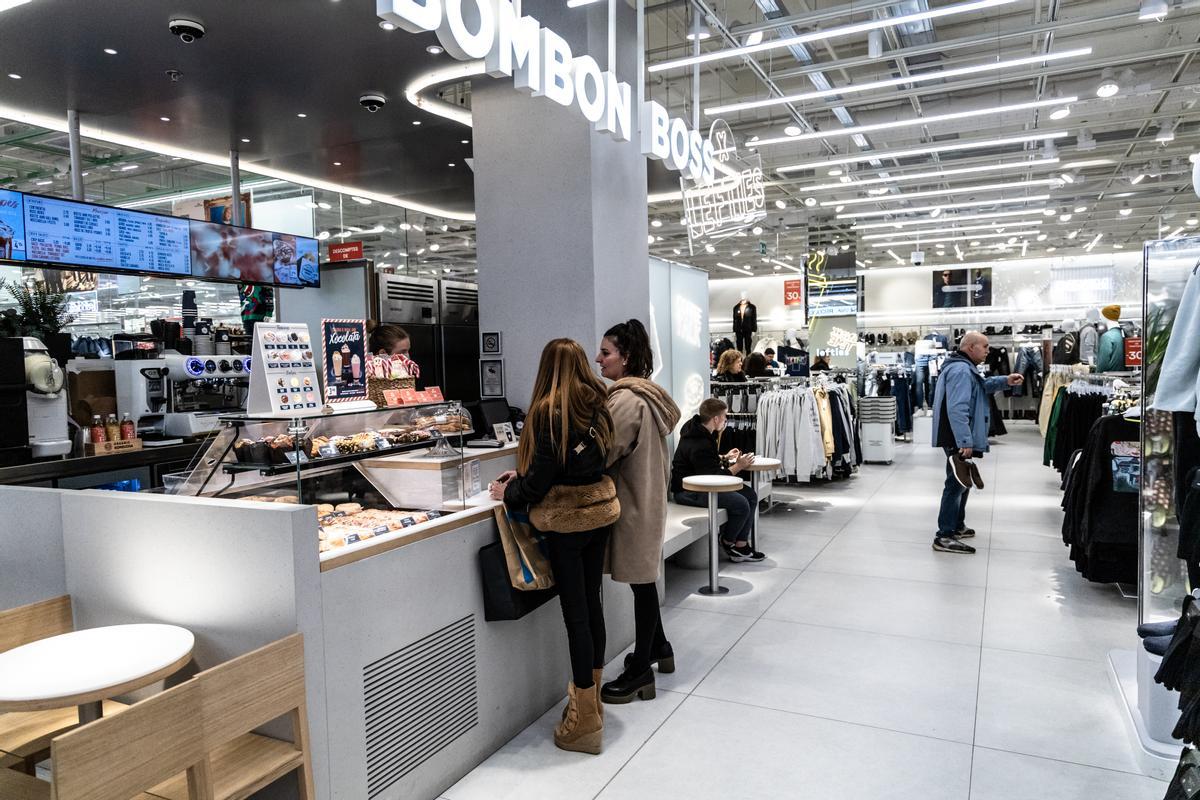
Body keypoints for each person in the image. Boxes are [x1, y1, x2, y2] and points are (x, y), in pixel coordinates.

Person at [489, 339, 619, 753]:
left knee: (575, 616)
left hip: (565, 522)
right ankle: (591, 702)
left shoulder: (549, 412)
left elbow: (541, 479)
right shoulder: (597, 405)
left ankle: (584, 721)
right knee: (592, 607)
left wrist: (509, 491)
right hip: (597, 515)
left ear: (548, 368)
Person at [594, 320, 681, 705]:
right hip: (646, 500)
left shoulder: (625, 400)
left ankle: (640, 670)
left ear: (625, 357)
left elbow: (603, 451)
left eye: (606, 352)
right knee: (642, 581)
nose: (598, 358)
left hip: (631, 505)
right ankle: (660, 647)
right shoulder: (647, 396)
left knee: (642, 585)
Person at [931, 330, 1024, 554]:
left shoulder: (964, 367)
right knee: (955, 484)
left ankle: (957, 526)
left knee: (962, 481)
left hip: (958, 434)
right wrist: (964, 439)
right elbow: (957, 407)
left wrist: (1004, 380)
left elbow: (980, 386)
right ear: (971, 347)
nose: (988, 351)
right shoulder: (961, 370)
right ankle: (944, 535)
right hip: (956, 436)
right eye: (984, 346)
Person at [671, 398, 765, 562]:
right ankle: (728, 542)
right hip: (690, 491)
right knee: (741, 503)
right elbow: (713, 478)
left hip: (698, 485)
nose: (726, 420)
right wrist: (739, 466)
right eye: (724, 416)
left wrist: (723, 457)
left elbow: (703, 464)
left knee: (750, 494)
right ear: (716, 419)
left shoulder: (699, 433)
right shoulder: (700, 441)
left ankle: (741, 544)